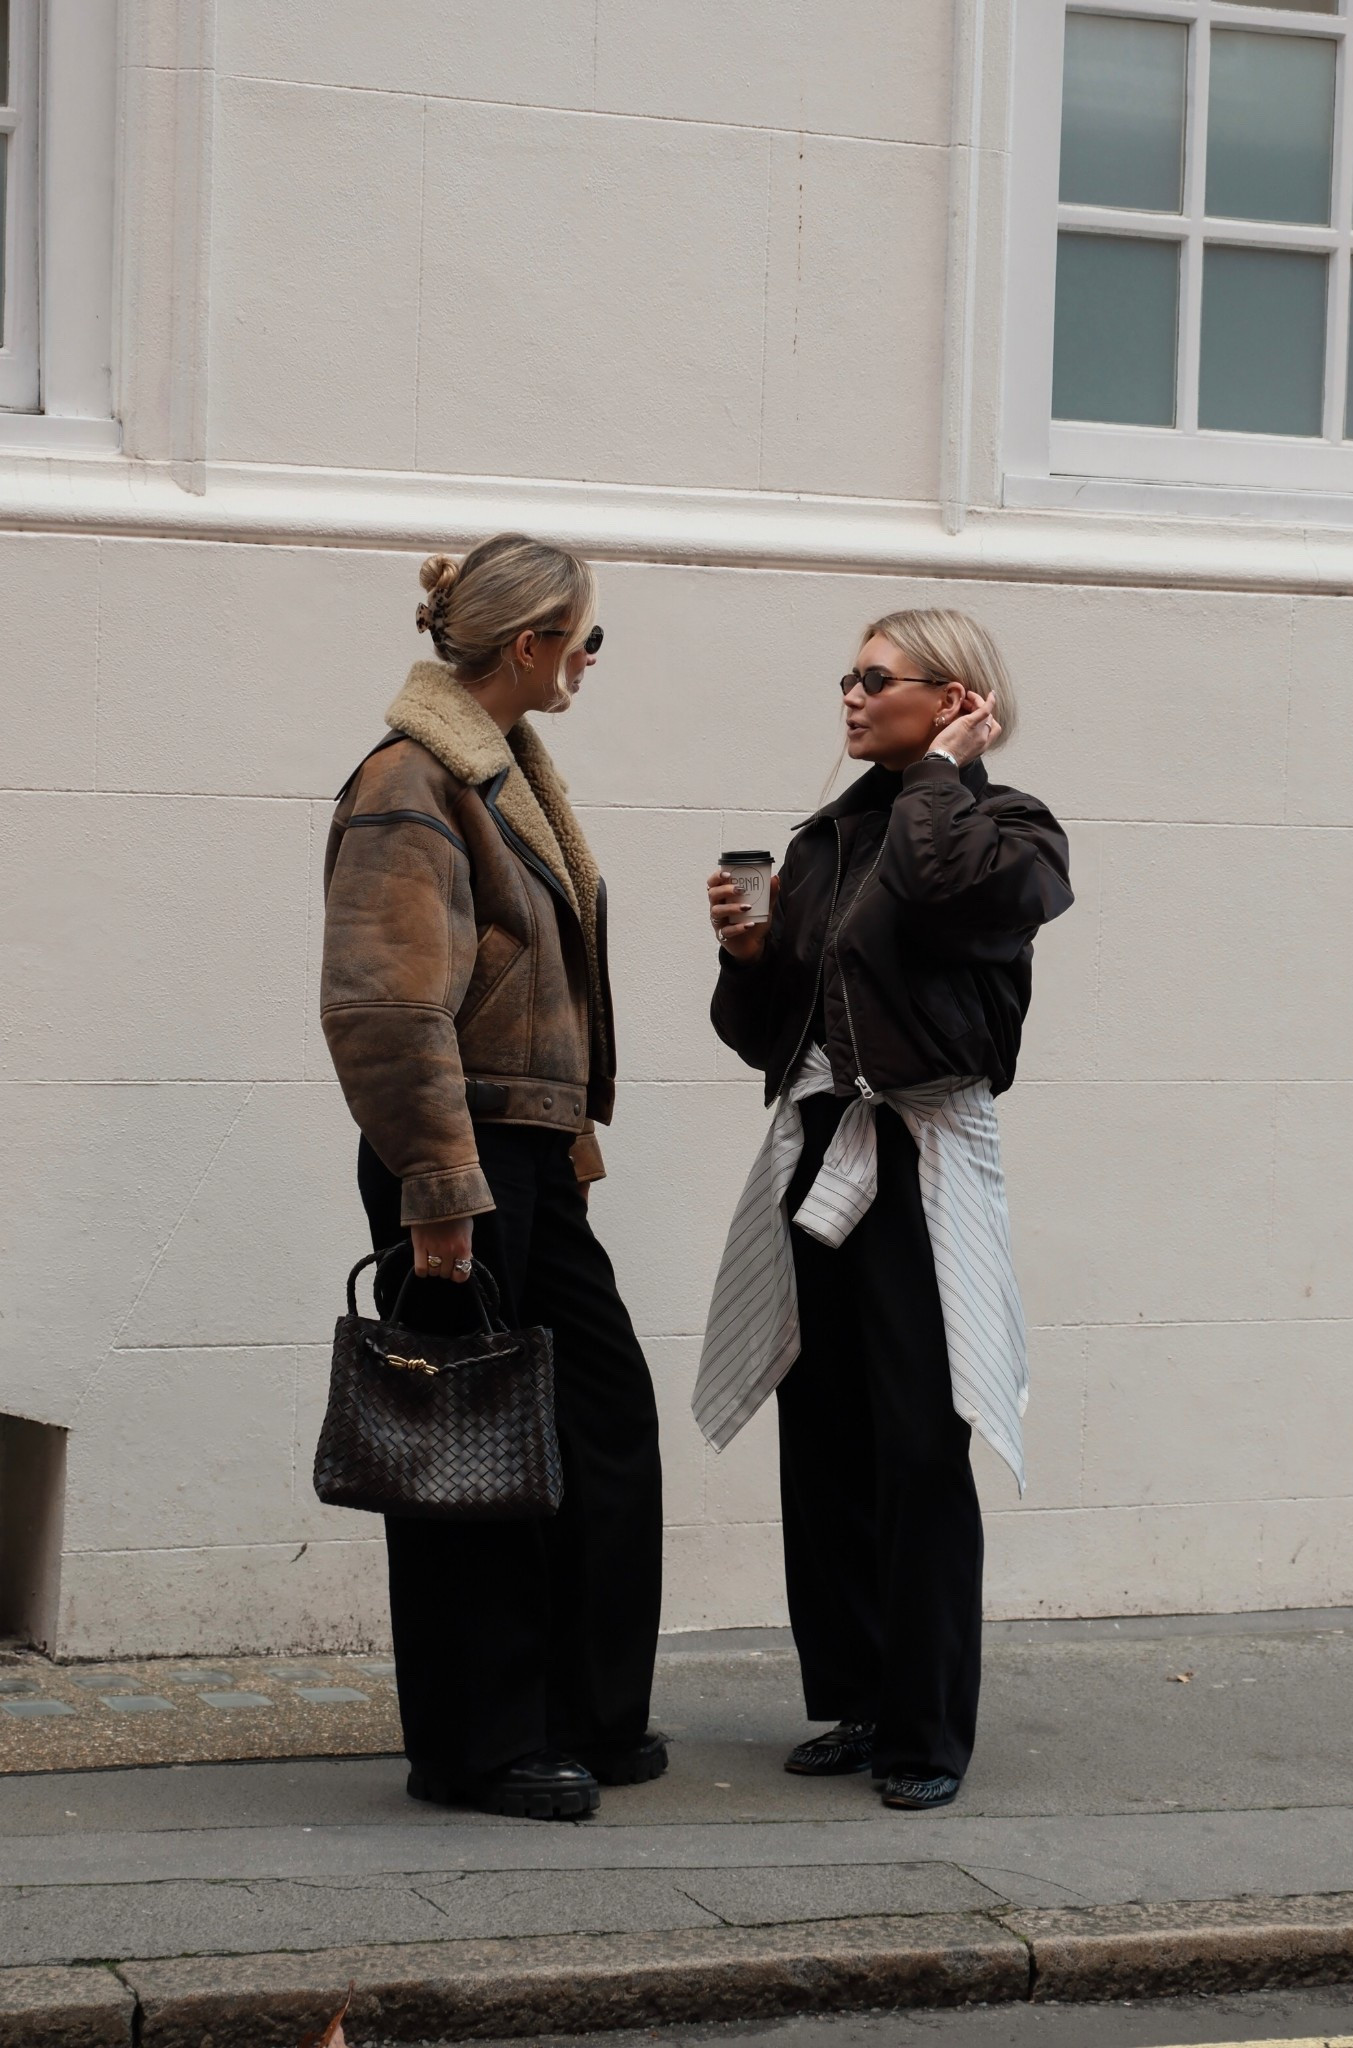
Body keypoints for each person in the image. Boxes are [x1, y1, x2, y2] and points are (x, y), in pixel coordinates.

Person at [694, 607, 1072, 1811]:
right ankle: (858, 1697)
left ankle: (927, 1725)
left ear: (956, 695)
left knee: (918, 1440)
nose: (850, 696)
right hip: (819, 1144)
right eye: (845, 676)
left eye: (877, 677)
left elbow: (947, 885)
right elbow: (764, 1039)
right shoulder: (825, 842)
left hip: (918, 1152)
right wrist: (747, 961)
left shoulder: (1012, 831)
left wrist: (947, 771)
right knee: (830, 1433)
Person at [320, 532, 664, 1821]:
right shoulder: (414, 779)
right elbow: (384, 1007)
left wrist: (564, 1141)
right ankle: (477, 1745)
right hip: (458, 1155)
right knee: (467, 1449)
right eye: (585, 635)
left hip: (527, 1149)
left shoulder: (505, 767)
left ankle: (580, 1708)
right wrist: (443, 1195)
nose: (589, 658)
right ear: (529, 645)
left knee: (599, 1422)